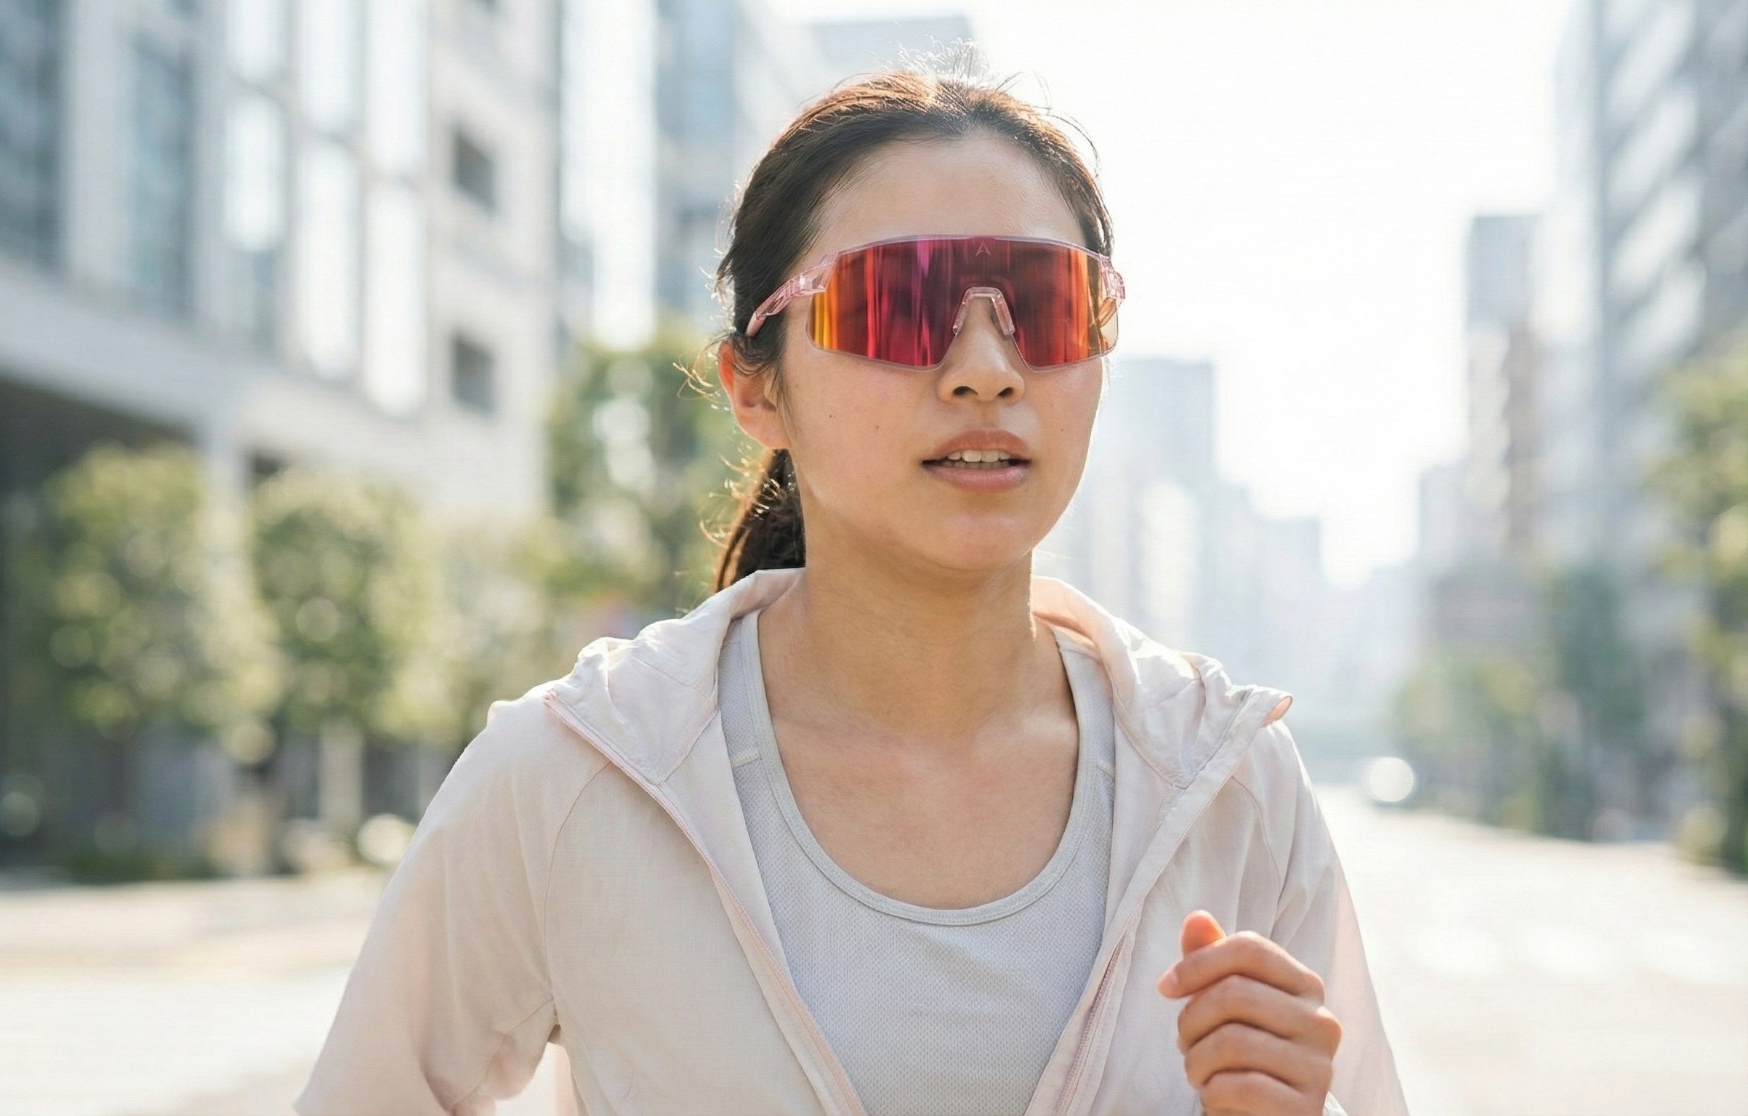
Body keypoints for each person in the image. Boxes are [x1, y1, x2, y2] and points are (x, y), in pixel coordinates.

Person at [295, 67, 1407, 1116]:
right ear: (754, 389)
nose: (986, 369)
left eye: (1046, 304)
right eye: (900, 303)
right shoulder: (577, 770)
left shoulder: (1225, 780)